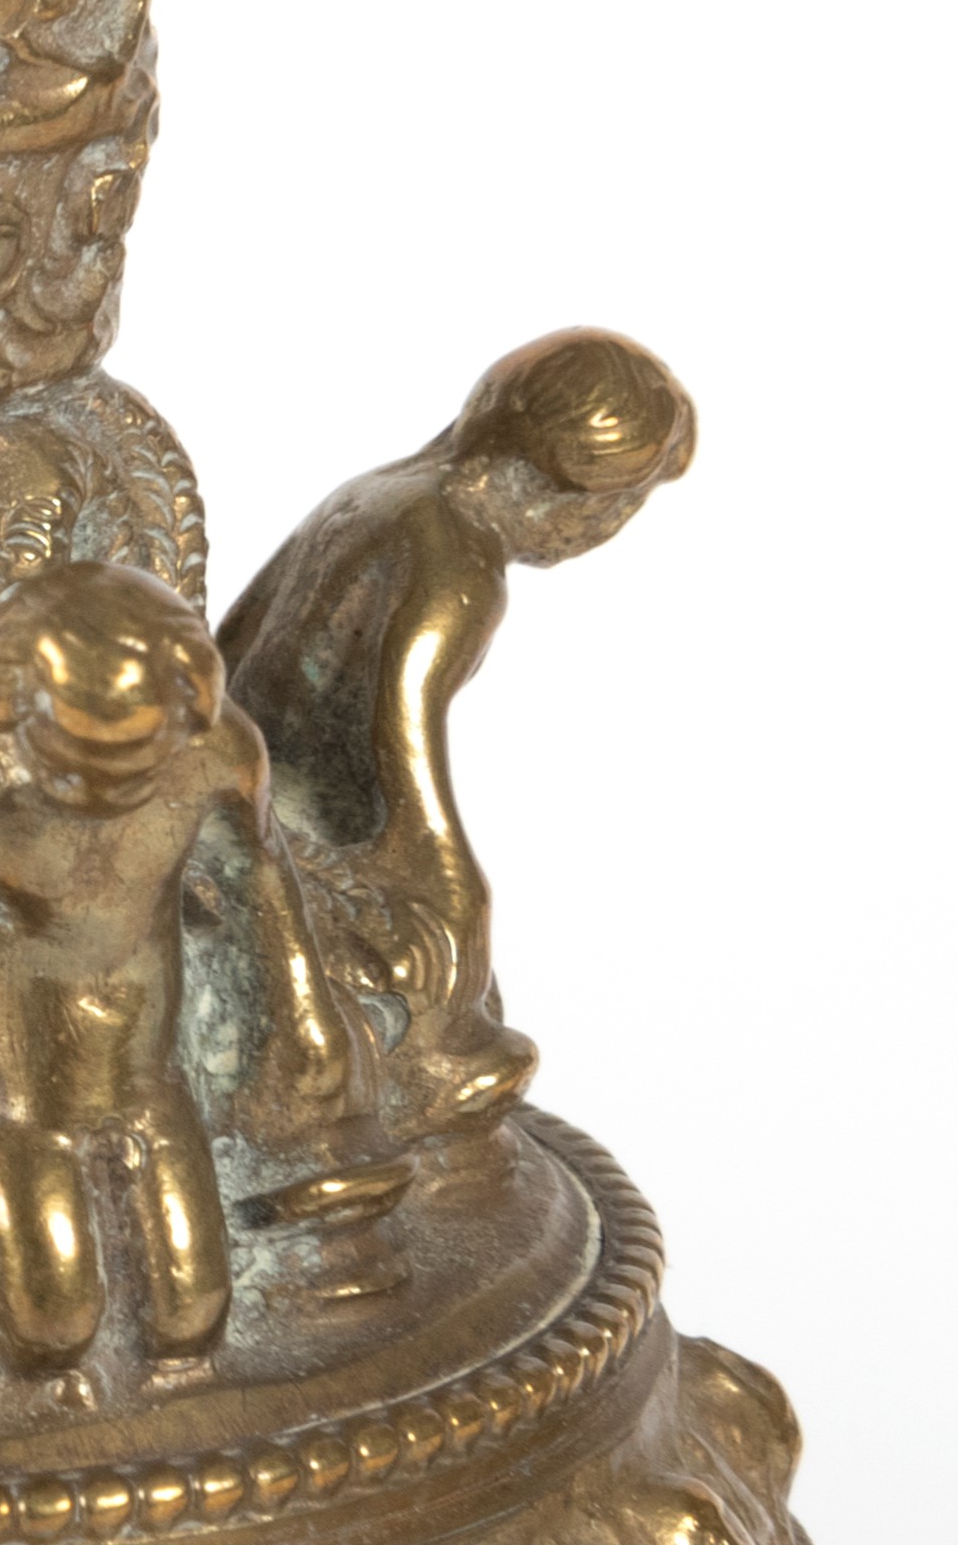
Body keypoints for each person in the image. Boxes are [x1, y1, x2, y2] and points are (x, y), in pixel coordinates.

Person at [0, 561, 357, 1370]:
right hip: (19, 1088)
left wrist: (302, 1004)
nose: (105, 792)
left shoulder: (218, 752)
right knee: (49, 1325)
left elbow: (258, 869)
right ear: (13, 708)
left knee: (194, 1314)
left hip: (151, 1064)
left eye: (137, 760)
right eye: (75, 761)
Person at [214, 328, 695, 1131]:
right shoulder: (459, 571)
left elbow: (229, 648)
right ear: (583, 496)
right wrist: (449, 881)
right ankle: (418, 1084)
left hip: (241, 777)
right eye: (625, 505)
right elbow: (405, 733)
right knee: (445, 951)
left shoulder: (377, 492)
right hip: (298, 822)